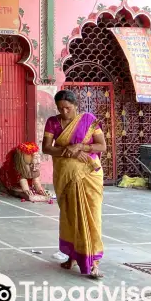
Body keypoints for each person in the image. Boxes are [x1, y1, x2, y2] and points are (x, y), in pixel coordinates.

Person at [42, 89, 106, 279]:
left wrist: (80, 147)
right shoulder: (53, 122)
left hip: (89, 175)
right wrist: (68, 151)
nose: (64, 112)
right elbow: (46, 147)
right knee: (70, 216)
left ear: (75, 106)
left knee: (91, 216)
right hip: (66, 176)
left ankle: (93, 261)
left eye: (67, 108)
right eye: (60, 108)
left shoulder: (89, 120)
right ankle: (73, 256)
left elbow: (101, 145)